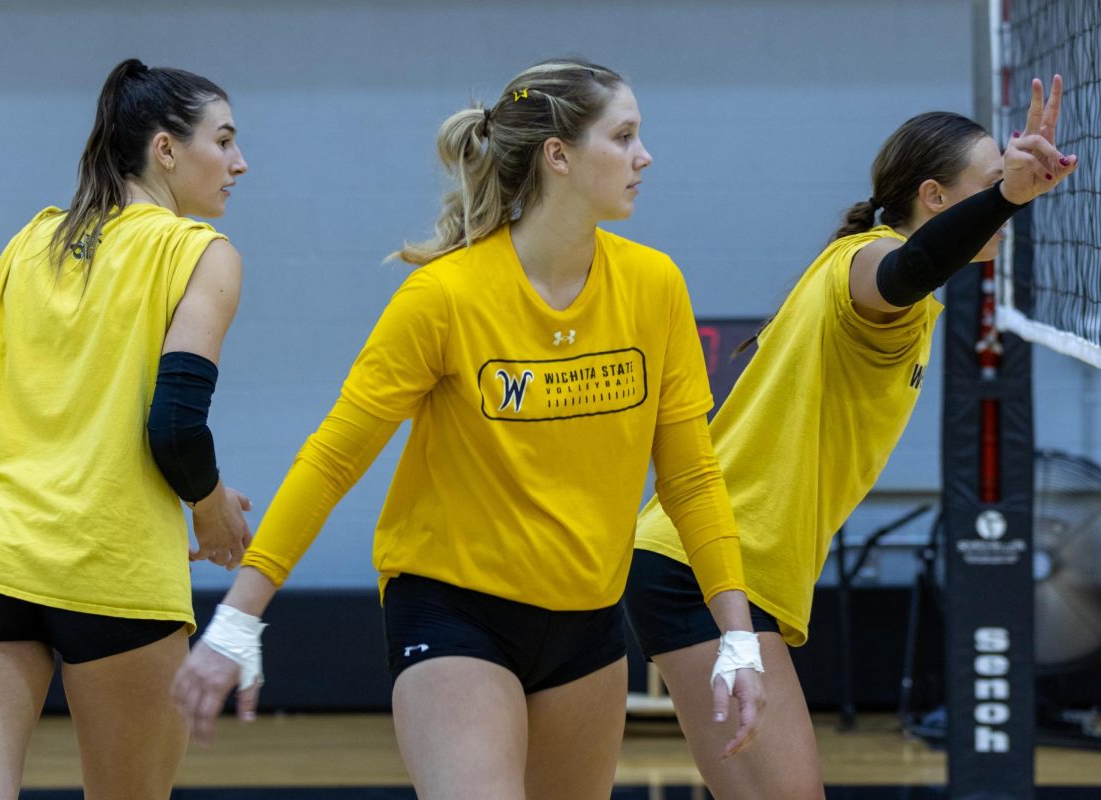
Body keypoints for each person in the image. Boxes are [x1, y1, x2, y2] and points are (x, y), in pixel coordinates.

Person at [173, 58, 766, 799]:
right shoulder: (443, 296)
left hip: (586, 622)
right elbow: (332, 461)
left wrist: (737, 636)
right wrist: (235, 623)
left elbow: (690, 476)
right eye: (624, 136)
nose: (644, 156)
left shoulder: (656, 286)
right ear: (559, 156)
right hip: (454, 612)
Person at [627, 76, 1078, 799]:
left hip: (709, 565)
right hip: (703, 569)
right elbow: (911, 269)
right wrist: (1009, 198)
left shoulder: (883, 288)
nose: (1008, 204)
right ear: (935, 198)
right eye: (990, 185)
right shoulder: (868, 267)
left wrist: (1001, 197)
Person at [0, 58, 252, 799]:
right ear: (166, 149)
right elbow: (172, 428)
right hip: (118, 582)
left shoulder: (24, 244)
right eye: (225, 140)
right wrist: (214, 513)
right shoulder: (202, 253)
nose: (240, 162)